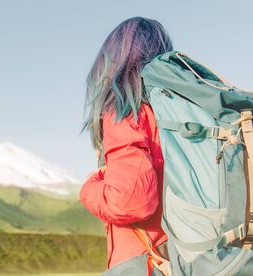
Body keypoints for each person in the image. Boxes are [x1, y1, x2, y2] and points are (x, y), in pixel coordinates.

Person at [79, 17, 173, 273]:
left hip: (146, 263)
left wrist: (89, 189)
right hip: (189, 259)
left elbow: (130, 201)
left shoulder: (126, 112)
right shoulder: (178, 114)